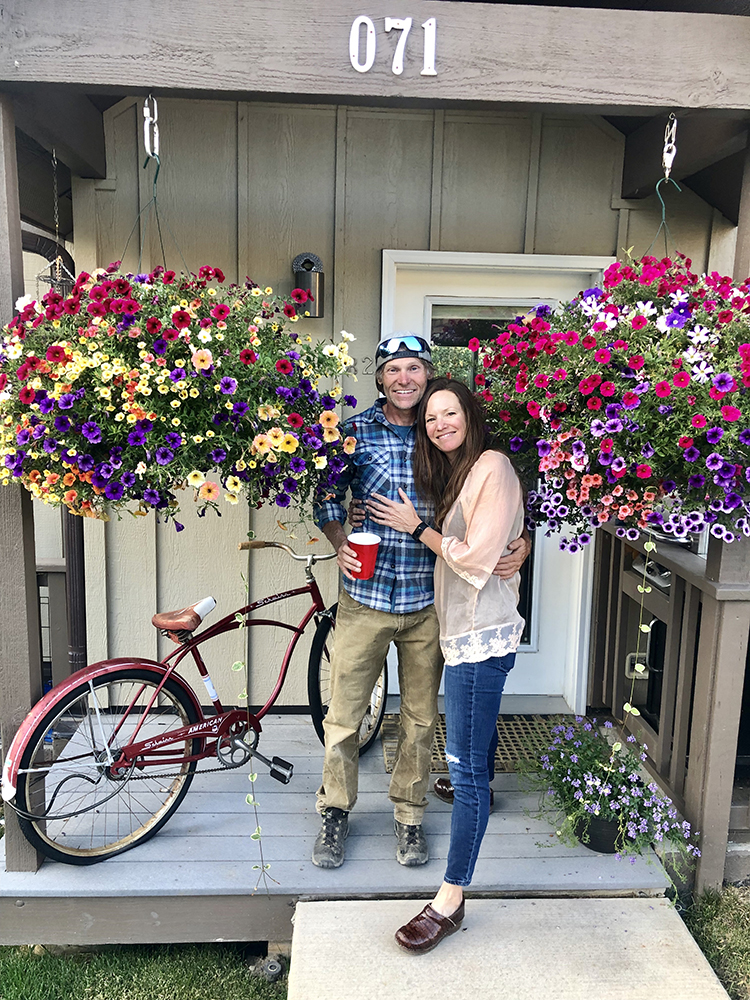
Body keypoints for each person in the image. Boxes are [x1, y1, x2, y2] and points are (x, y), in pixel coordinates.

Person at [311, 335, 529, 870]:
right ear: (380, 378)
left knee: (418, 717)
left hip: (430, 601)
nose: (404, 379)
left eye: (414, 369)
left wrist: (520, 543)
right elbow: (324, 498)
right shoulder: (354, 432)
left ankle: (409, 816)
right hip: (365, 597)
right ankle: (334, 812)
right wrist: (340, 542)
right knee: (344, 716)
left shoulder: (446, 441)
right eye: (393, 370)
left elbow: (492, 505)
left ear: (428, 376)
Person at [366, 377, 525, 953]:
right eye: (430, 418)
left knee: (465, 774)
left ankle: (450, 899)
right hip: (464, 633)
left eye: (447, 412)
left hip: (480, 640)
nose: (438, 424)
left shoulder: (493, 466)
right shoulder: (465, 471)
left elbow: (475, 557)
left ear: (469, 414)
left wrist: (418, 528)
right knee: (470, 761)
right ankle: (470, 791)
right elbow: (502, 534)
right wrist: (520, 538)